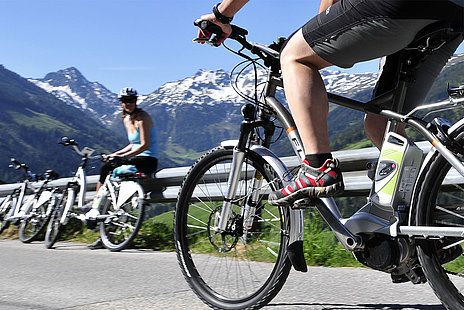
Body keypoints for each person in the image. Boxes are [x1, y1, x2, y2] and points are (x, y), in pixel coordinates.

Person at [196, 0, 464, 206]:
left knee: (294, 56)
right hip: (454, 11)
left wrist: (221, 15)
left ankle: (317, 167)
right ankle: (417, 222)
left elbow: (328, 12)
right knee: (382, 122)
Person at [87, 87, 159, 249]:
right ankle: (97, 206)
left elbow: (145, 145)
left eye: (132, 100)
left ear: (136, 101)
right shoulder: (126, 119)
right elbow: (132, 144)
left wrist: (123, 158)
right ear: (121, 103)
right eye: (126, 101)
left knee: (111, 169)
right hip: (135, 156)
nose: (129, 103)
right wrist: (115, 154)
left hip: (148, 159)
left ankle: (98, 208)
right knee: (106, 167)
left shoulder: (143, 117)